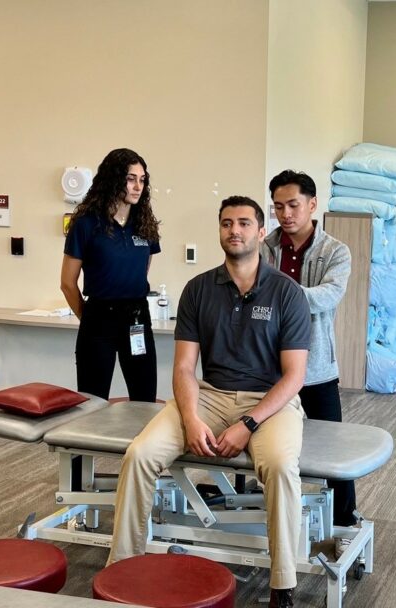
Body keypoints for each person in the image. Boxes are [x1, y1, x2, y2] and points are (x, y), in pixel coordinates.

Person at [107, 196, 311, 608]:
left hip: (271, 403)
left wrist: (247, 425)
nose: (234, 230)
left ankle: (283, 584)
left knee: (279, 466)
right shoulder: (198, 289)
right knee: (140, 453)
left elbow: (294, 376)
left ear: (260, 231)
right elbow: (184, 369)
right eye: (226, 223)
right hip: (211, 395)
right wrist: (191, 418)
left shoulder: (287, 293)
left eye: (243, 223)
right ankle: (121, 568)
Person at [261, 170, 356, 554]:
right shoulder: (265, 246)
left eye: (293, 205)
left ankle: (345, 524)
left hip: (315, 367)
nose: (285, 213)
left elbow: (328, 296)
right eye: (278, 206)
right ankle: (258, 512)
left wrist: (279, 293)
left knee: (332, 449)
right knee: (261, 443)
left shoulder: (336, 251)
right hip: (266, 366)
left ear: (312, 204)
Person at [60, 148, 161, 402]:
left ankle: (139, 443)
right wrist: (90, 319)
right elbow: (67, 284)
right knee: (92, 400)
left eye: (142, 179)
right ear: (113, 179)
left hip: (137, 317)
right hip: (99, 317)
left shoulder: (145, 224)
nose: (138, 186)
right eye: (130, 178)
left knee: (144, 397)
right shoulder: (86, 224)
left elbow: (141, 272)